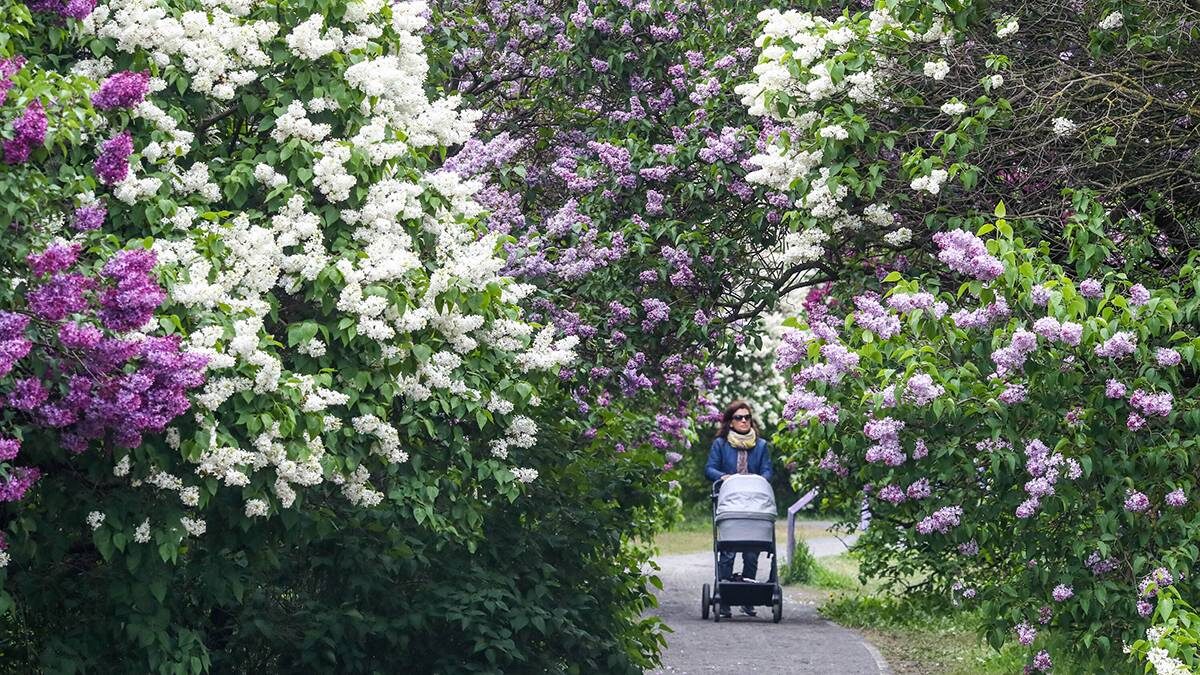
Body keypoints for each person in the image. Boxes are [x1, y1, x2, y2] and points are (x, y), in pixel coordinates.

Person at [704, 400, 774, 618]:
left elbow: (767, 471)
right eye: (738, 417)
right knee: (727, 552)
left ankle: (748, 598)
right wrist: (722, 477)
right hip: (730, 503)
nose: (744, 421)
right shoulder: (721, 445)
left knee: (752, 552)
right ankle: (724, 598)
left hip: (754, 504)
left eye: (747, 417)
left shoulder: (760, 446)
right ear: (730, 422)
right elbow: (710, 469)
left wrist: (757, 481)